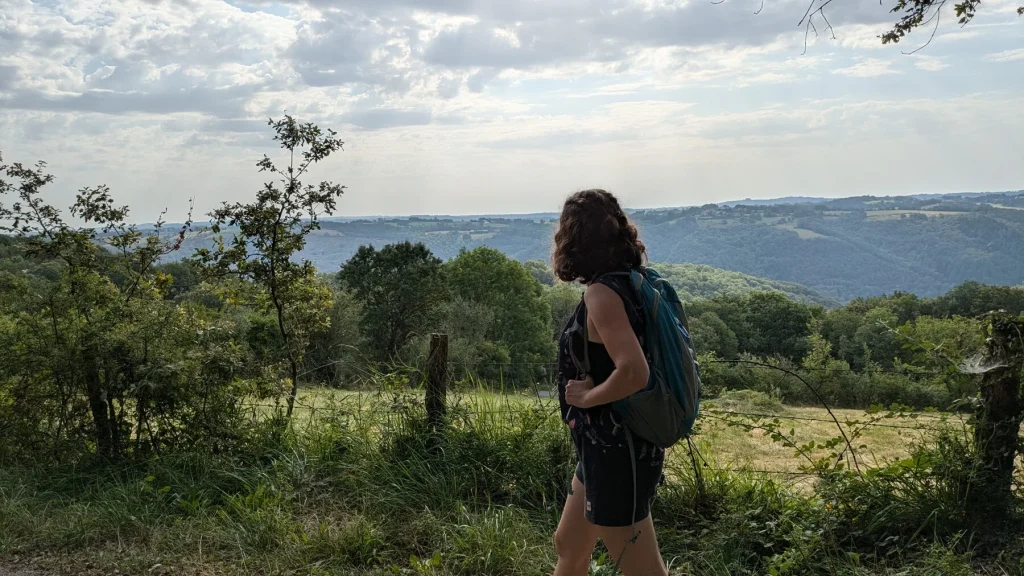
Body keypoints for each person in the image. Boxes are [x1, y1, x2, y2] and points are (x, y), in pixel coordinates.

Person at [551, 189, 669, 576]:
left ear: (572, 239)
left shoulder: (602, 294)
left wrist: (586, 399)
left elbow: (634, 372)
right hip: (601, 448)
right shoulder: (630, 282)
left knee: (641, 569)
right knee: (569, 545)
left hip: (617, 453)